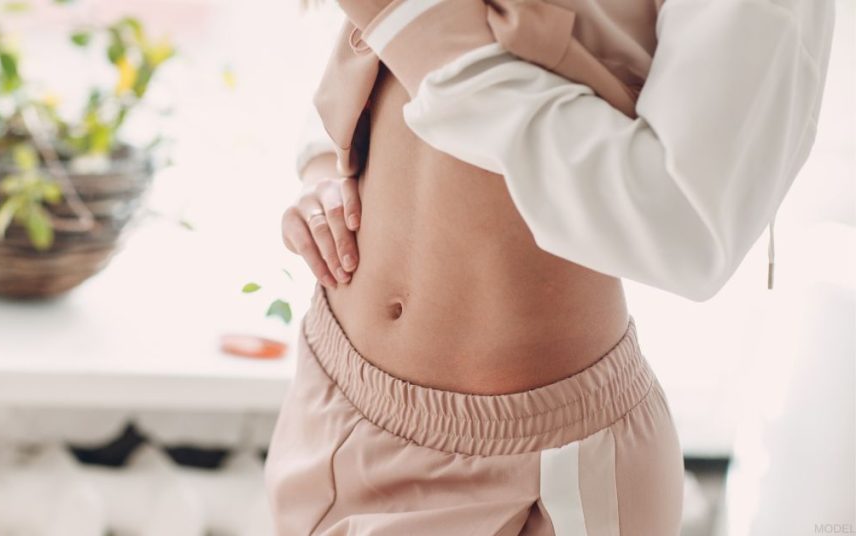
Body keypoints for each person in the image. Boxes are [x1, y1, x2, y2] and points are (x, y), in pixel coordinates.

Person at [264, 0, 836, 534]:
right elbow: (374, 37)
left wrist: (422, 31)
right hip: (328, 385)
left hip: (535, 472)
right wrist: (324, 166)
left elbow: (688, 225)